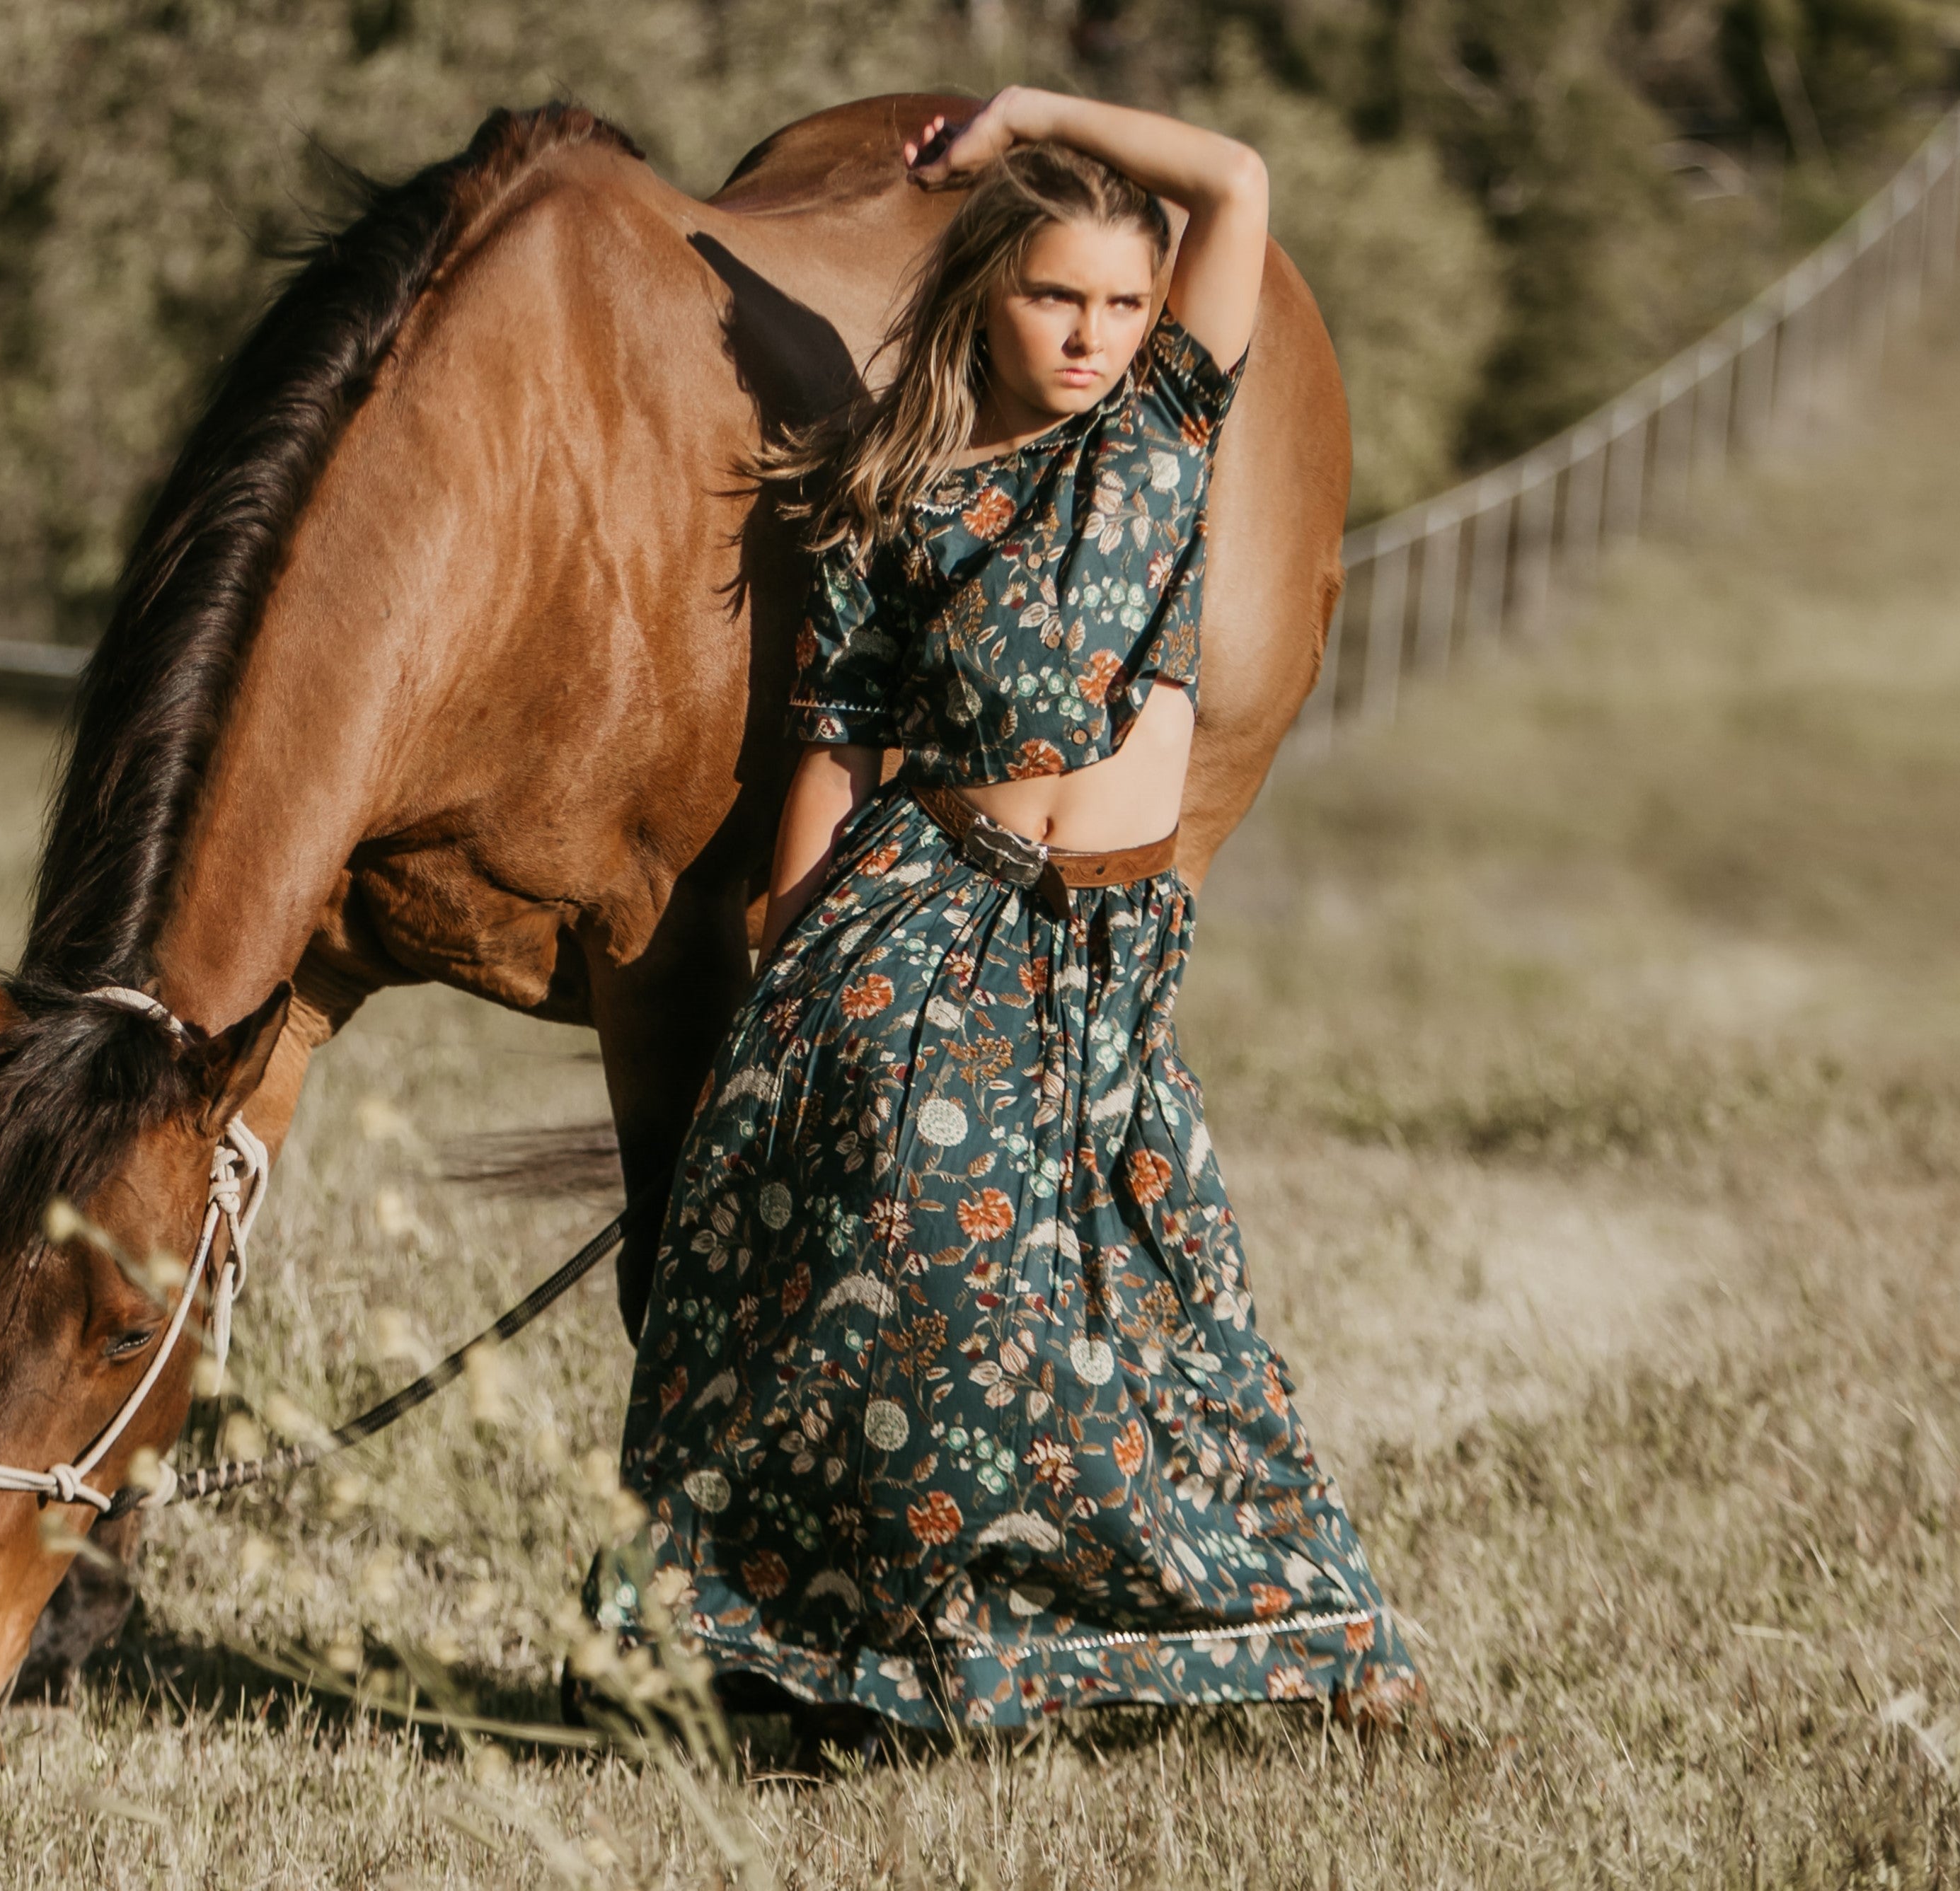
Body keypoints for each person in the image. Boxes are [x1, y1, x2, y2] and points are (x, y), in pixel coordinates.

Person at [591, 87, 1420, 1742]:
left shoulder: (1166, 429)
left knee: (1168, 1298)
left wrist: (1029, 114)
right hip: (926, 918)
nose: (1099, 333)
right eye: (1060, 295)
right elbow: (835, 744)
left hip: (1101, 944)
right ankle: (835, 1658)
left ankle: (1303, 1632)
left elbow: (1240, 177)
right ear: (987, 291)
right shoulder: (895, 493)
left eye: (1123, 300)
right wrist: (788, 967)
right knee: (888, 1267)